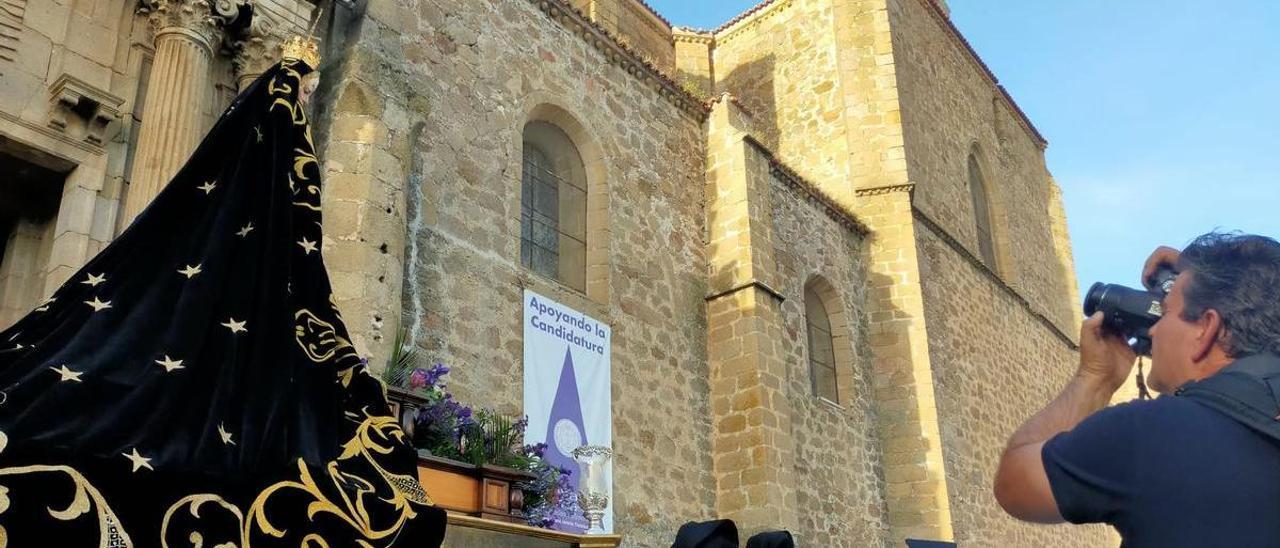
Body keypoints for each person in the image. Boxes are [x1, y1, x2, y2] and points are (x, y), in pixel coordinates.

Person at [993, 232, 1280, 546]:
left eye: (1165, 311)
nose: (1153, 328)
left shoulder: (1153, 434)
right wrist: (1205, 271)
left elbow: (1016, 483)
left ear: (1206, 328)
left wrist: (1095, 379)